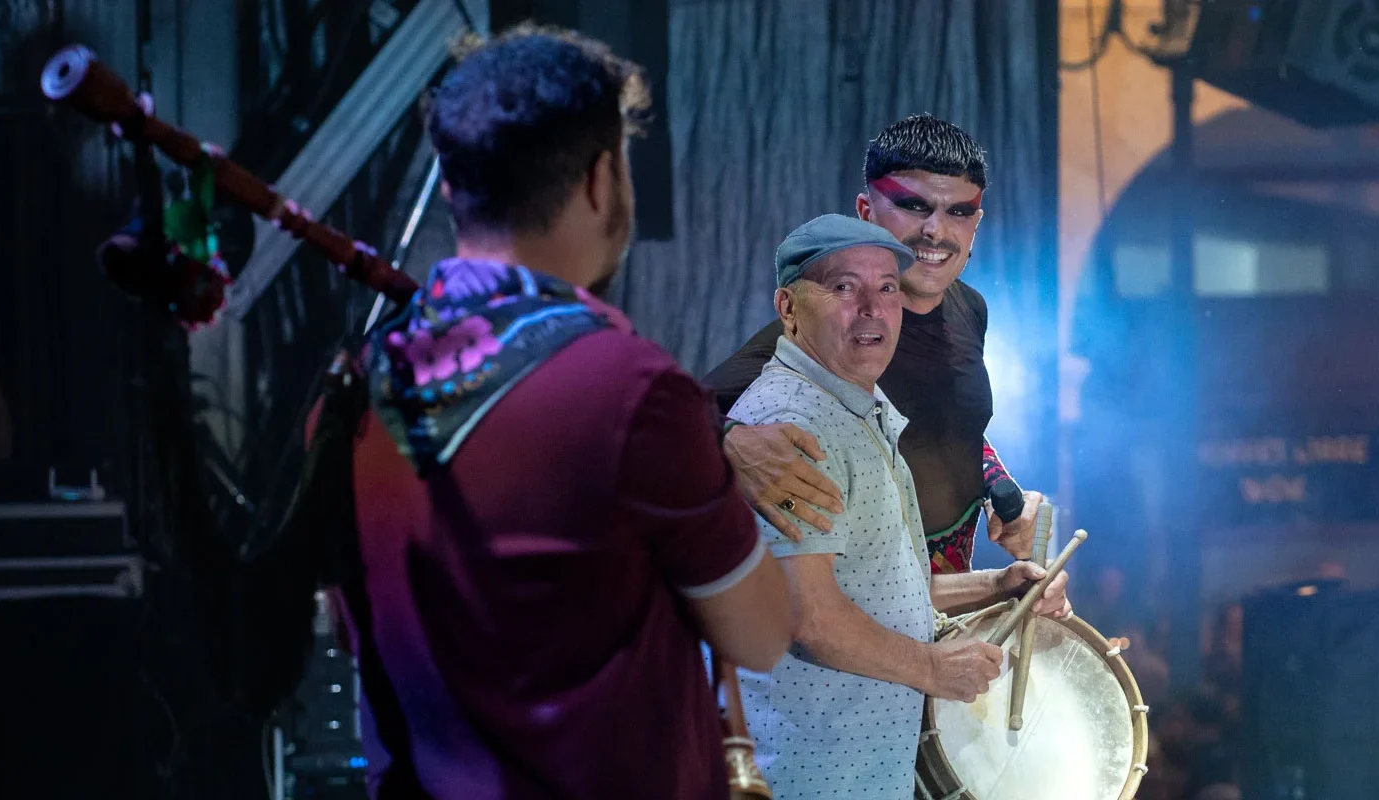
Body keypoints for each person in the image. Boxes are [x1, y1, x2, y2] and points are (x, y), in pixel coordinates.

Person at [343, 26, 791, 798]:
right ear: (598, 178)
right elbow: (761, 635)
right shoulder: (631, 391)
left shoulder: (353, 395)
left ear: (452, 189)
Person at [728, 214, 1070, 798]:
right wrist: (935, 669)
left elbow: (883, 590)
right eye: (843, 288)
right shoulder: (791, 423)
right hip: (810, 776)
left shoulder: (862, 406)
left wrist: (999, 583)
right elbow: (808, 616)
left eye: (887, 287)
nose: (872, 307)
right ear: (787, 308)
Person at [706, 114, 1041, 575]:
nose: (937, 231)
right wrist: (730, 443)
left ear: (976, 221)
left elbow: (949, 421)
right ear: (866, 213)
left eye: (959, 211)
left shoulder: (971, 309)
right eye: (914, 206)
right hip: (861, 607)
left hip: (950, 599)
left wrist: (998, 484)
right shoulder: (832, 327)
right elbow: (670, 418)